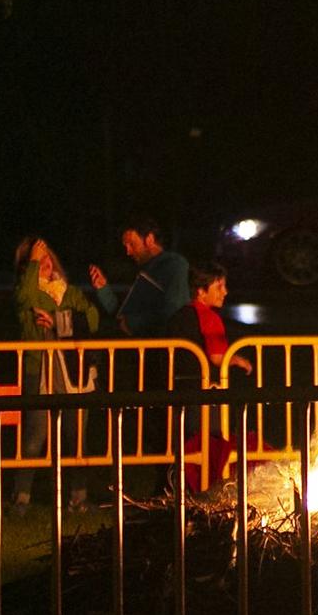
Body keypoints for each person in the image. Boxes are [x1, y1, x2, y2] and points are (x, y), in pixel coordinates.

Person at [11, 235, 101, 513]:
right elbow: (24, 297)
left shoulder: (68, 291)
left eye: (47, 256)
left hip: (74, 372)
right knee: (35, 436)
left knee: (78, 437)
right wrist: (32, 265)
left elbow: (93, 318)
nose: (45, 263)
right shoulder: (26, 293)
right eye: (37, 260)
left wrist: (60, 321)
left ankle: (79, 497)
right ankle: (21, 498)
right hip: (39, 370)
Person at [167, 262, 256, 492]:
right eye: (219, 286)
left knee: (184, 447)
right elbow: (217, 357)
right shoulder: (208, 316)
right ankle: (212, 491)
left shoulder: (178, 317)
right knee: (212, 445)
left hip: (177, 393)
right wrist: (238, 360)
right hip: (205, 395)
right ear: (201, 291)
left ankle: (178, 490)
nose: (225, 292)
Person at [90, 217, 191, 338]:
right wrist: (103, 289)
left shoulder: (174, 265)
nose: (128, 251)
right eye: (126, 246)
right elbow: (123, 314)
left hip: (164, 349)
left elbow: (173, 310)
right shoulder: (143, 271)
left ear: (149, 239)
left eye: (132, 244)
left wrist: (133, 324)